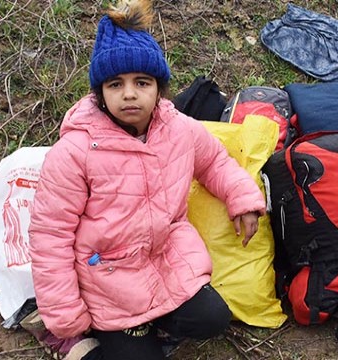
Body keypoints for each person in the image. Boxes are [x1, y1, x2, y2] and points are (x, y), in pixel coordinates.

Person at [26, 1, 265, 359]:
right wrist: (66, 316)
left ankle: (149, 330)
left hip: (166, 260)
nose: (129, 94)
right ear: (100, 93)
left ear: (159, 88)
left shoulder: (180, 129)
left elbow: (215, 162)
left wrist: (243, 199)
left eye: (142, 82)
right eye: (115, 84)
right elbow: (51, 237)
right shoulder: (75, 152)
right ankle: (69, 343)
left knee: (214, 318)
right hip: (107, 281)